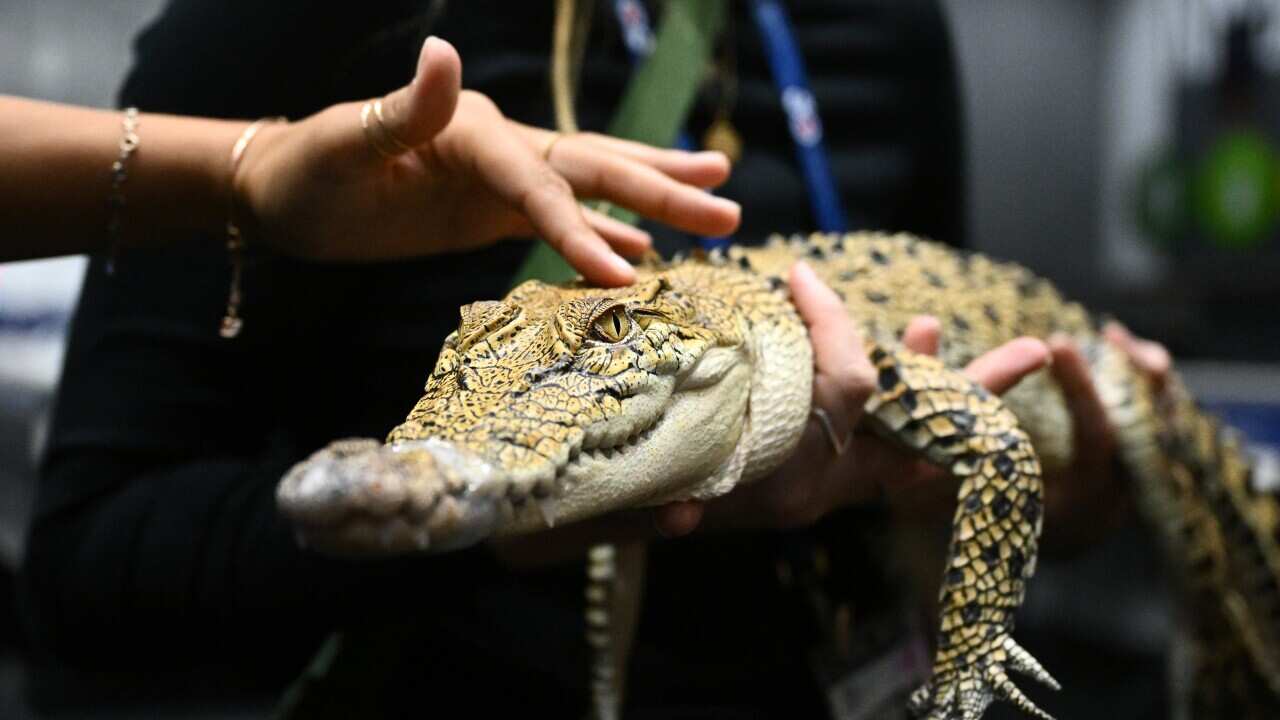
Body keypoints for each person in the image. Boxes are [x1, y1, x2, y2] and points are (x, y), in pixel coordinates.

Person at [15, 2, 1167, 717]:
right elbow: (89, 575)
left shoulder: (885, 32)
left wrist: (1031, 501)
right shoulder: (293, 30)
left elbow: (934, 467)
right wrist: (497, 526)